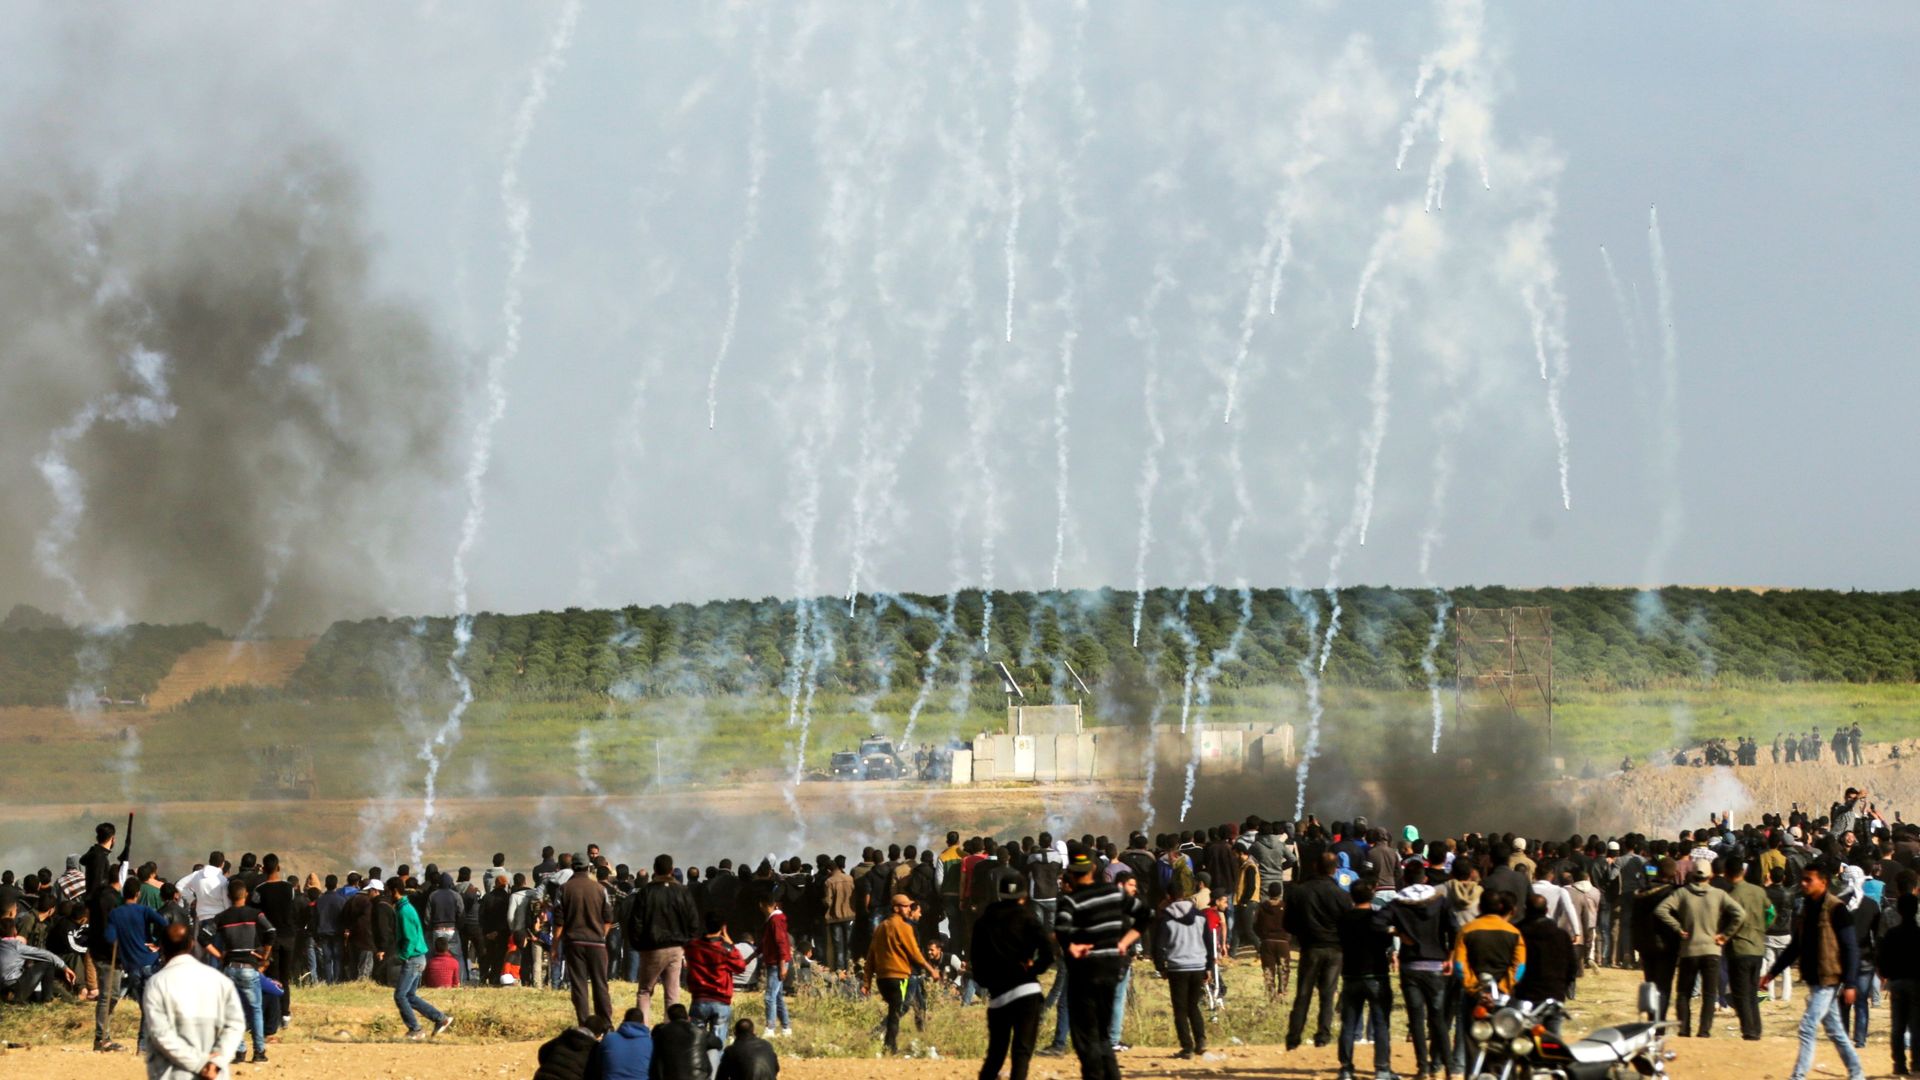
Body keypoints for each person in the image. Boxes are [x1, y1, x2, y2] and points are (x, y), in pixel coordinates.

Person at [1052, 845, 1146, 1080]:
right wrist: (1123, 943)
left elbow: (1061, 931)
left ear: (1071, 872)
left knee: (1085, 1036)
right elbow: (1145, 915)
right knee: (1103, 1035)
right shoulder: (1113, 894)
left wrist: (1071, 947)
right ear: (1094, 868)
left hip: (1083, 973)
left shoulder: (1070, 900)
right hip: (1111, 969)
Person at [1763, 864, 1865, 1080]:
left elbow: (1850, 948)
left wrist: (1850, 983)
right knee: (1835, 1030)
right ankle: (1856, 1073)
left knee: (1807, 1026)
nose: (1803, 883)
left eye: (1809, 879)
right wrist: (1772, 973)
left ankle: (1798, 1076)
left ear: (1823, 882)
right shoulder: (1807, 908)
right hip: (1814, 978)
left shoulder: (1837, 909)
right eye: (1803, 879)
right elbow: (1795, 947)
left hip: (1828, 980)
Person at [971, 874, 1052, 1080]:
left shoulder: (983, 922)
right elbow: (1048, 953)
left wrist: (989, 982)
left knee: (995, 1055)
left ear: (1000, 894)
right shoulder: (1028, 918)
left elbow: (976, 963)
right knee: (1021, 1053)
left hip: (999, 997)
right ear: (1023, 896)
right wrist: (1033, 970)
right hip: (1027, 991)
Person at [141, 922, 245, 1080]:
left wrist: (199, 1064)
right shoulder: (220, 981)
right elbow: (235, 1025)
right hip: (214, 1075)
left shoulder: (157, 983)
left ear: (162, 947)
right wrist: (216, 1062)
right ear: (192, 944)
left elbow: (161, 1033)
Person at [1655, 862, 1743, 1038]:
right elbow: (1740, 914)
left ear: (1692, 875)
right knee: (1709, 994)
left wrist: (1678, 928)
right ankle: (1704, 1031)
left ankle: (1684, 1029)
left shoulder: (1682, 893)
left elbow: (1661, 909)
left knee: (1683, 993)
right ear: (1710, 876)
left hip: (1689, 950)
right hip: (1712, 949)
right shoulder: (1718, 894)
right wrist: (1725, 935)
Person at [1387, 861, 1453, 1078]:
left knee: (1416, 1019)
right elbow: (1454, 929)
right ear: (1425, 879)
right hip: (1436, 965)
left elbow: (1377, 922)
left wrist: (1398, 933)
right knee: (1438, 1018)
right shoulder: (1439, 900)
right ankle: (1449, 1067)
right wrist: (1450, 956)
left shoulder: (1399, 901)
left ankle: (1423, 1067)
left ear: (1405, 879)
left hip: (1411, 967)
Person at [1285, 852, 1352, 1051]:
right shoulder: (1342, 895)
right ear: (1335, 870)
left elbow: (1288, 924)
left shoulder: (1299, 892)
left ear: (1315, 866)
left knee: (1303, 993)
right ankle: (1323, 1035)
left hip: (1310, 948)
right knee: (1328, 995)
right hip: (1335, 950)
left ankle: (1294, 1037)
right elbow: (1347, 925)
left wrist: (1303, 934)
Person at [204, 878, 275, 1064]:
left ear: (228, 896)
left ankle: (240, 1050)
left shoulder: (221, 917)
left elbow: (203, 937)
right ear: (246, 895)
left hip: (229, 969)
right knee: (256, 1010)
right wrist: (265, 955)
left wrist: (220, 956)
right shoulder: (255, 914)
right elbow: (271, 931)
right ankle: (259, 1052)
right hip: (249, 969)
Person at [630, 854, 699, 1025]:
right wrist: (687, 944)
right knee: (672, 993)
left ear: (654, 870)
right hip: (676, 948)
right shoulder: (682, 891)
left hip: (652, 947)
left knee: (645, 991)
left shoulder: (646, 891)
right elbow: (693, 921)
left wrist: (638, 945)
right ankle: (671, 1030)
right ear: (671, 870)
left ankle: (642, 1031)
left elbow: (636, 921)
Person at [1334, 881, 1393, 1080]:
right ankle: (1382, 1069)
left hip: (1351, 975)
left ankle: (1346, 1069)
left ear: (1351, 896)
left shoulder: (1343, 919)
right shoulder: (1377, 918)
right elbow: (1386, 942)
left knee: (1349, 1024)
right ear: (1372, 895)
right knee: (1381, 1023)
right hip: (1376, 975)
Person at [864, 892, 936, 1054]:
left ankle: (888, 1043)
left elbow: (870, 956)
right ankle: (890, 1046)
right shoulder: (904, 927)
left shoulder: (880, 927)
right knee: (898, 1010)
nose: (909, 909)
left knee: (896, 1008)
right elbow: (915, 953)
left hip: (882, 979)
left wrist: (867, 981)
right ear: (896, 908)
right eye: (906, 906)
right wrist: (931, 969)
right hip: (899, 977)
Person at [105, 877, 169, 1053]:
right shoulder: (144, 910)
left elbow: (109, 938)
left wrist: (122, 942)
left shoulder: (115, 914)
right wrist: (158, 944)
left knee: (146, 1006)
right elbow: (165, 924)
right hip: (149, 961)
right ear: (138, 894)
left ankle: (145, 1044)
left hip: (131, 966)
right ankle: (144, 1045)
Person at [1152, 877, 1213, 1059]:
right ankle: (1201, 1041)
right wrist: (1209, 966)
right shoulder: (1200, 916)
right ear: (1184, 895)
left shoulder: (1166, 918)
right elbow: (1209, 943)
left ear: (1168, 896)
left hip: (1177, 968)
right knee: (1193, 1006)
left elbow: (1158, 946)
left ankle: (1187, 1047)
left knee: (1180, 1009)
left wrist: (1161, 967)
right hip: (1198, 966)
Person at [392, 881, 454, 1040]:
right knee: (410, 996)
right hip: (418, 957)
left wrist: (403, 956)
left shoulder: (404, 911)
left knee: (400, 996)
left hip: (413, 958)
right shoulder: (405, 907)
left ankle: (416, 1029)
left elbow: (411, 938)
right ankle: (440, 1019)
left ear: (395, 891)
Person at [560, 854, 615, 1031]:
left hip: (574, 943)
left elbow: (559, 922)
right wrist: (601, 935)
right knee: (600, 984)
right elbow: (609, 918)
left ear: (573, 867)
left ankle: (584, 1026)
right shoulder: (600, 889)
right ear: (588, 868)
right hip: (597, 943)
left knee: (579, 985)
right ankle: (606, 1024)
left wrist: (554, 946)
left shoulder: (564, 889)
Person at [1721, 858, 1772, 1040]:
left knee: (1740, 993)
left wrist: (1725, 935)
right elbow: (1771, 912)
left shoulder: (1730, 896)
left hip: (1739, 948)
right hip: (1757, 947)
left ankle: (1749, 1030)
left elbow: (1730, 920)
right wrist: (1762, 928)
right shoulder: (1759, 891)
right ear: (1742, 872)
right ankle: (1756, 1028)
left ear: (1726, 874)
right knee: (1752, 991)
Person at [1515, 892, 1577, 1038]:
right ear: (1546, 910)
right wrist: (1565, 985)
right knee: (1553, 1039)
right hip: (1554, 994)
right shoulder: (1561, 935)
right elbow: (1572, 966)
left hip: (1524, 994)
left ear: (1525, 910)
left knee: (1523, 1038)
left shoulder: (1518, 933)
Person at [686, 912, 747, 1045]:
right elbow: (741, 966)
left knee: (696, 1044)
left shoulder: (692, 946)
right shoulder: (725, 949)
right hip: (720, 1000)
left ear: (705, 924)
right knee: (717, 1045)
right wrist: (730, 942)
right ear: (723, 927)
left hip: (699, 999)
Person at [1880, 893, 1920, 1077]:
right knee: (1916, 1025)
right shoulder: (1918, 934)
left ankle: (1899, 1064)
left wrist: (1886, 975)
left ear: (1899, 910)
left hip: (1896, 983)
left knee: (1898, 1026)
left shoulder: (1892, 934)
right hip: (1917, 984)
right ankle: (1917, 1064)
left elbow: (1883, 959)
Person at [653, 1001, 722, 1080]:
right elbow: (718, 1043)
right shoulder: (699, 1031)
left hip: (670, 1077)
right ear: (688, 1017)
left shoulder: (661, 1033)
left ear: (669, 1019)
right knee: (713, 1050)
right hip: (699, 1078)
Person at [757, 894, 792, 1037]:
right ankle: (786, 1027)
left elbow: (781, 943)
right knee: (777, 997)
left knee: (769, 997)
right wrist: (750, 957)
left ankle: (770, 1028)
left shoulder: (775, 920)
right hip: (775, 962)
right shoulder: (772, 920)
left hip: (777, 963)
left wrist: (782, 965)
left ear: (763, 905)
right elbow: (765, 943)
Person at [587, 1007, 654, 1080]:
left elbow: (597, 1065)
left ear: (624, 1021)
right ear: (643, 1023)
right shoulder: (650, 1043)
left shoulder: (608, 1039)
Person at [534, 1018, 606, 1080]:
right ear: (599, 1035)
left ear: (584, 1025)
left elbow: (543, 1051)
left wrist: (550, 1065)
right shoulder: (594, 1048)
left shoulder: (566, 1036)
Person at [1254, 882, 1291, 999]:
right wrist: (1288, 936)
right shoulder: (1286, 907)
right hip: (1283, 942)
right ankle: (1282, 992)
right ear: (1280, 893)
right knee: (1284, 969)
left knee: (1268, 969)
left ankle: (1271, 994)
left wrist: (1262, 936)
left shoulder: (1262, 907)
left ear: (1268, 892)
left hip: (1267, 942)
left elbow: (1255, 925)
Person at [715, 1017, 779, 1080]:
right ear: (753, 1031)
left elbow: (721, 1076)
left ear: (735, 1033)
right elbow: (776, 1068)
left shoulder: (731, 1051)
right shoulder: (766, 1045)